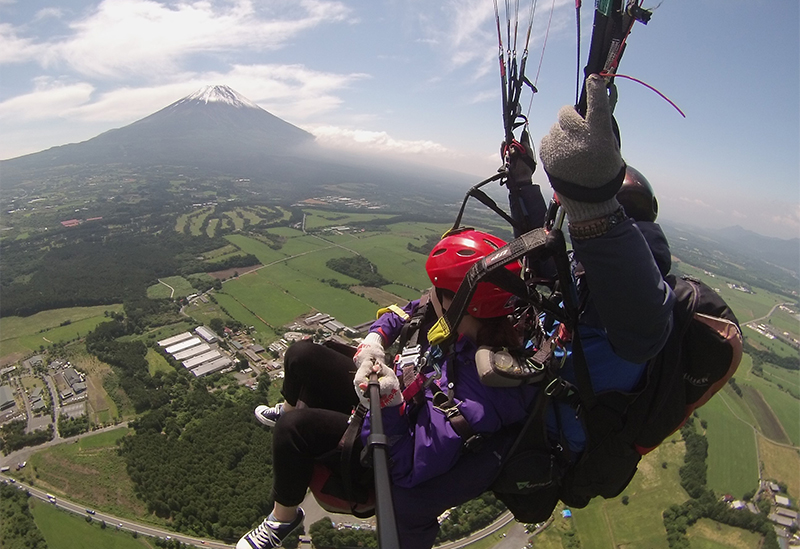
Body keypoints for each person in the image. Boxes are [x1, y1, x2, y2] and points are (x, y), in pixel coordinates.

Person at [236, 74, 675, 549]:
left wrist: (597, 209)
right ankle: (301, 410)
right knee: (304, 356)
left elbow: (642, 321)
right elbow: (539, 256)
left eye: (441, 291)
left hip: (453, 431)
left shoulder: (588, 334)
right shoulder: (541, 299)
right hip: (422, 402)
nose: (432, 298)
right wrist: (524, 182)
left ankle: (293, 517)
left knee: (337, 457)